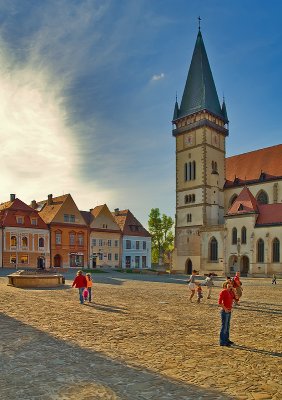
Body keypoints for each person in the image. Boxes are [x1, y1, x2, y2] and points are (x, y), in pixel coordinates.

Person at [218, 281, 237, 346]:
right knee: (224, 326)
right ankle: (222, 342)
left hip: (229, 311)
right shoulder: (223, 292)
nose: (230, 287)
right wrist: (225, 309)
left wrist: (234, 291)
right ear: (226, 286)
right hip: (224, 311)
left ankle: (227, 340)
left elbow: (236, 298)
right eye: (229, 286)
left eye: (231, 286)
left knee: (227, 326)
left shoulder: (231, 292)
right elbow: (220, 302)